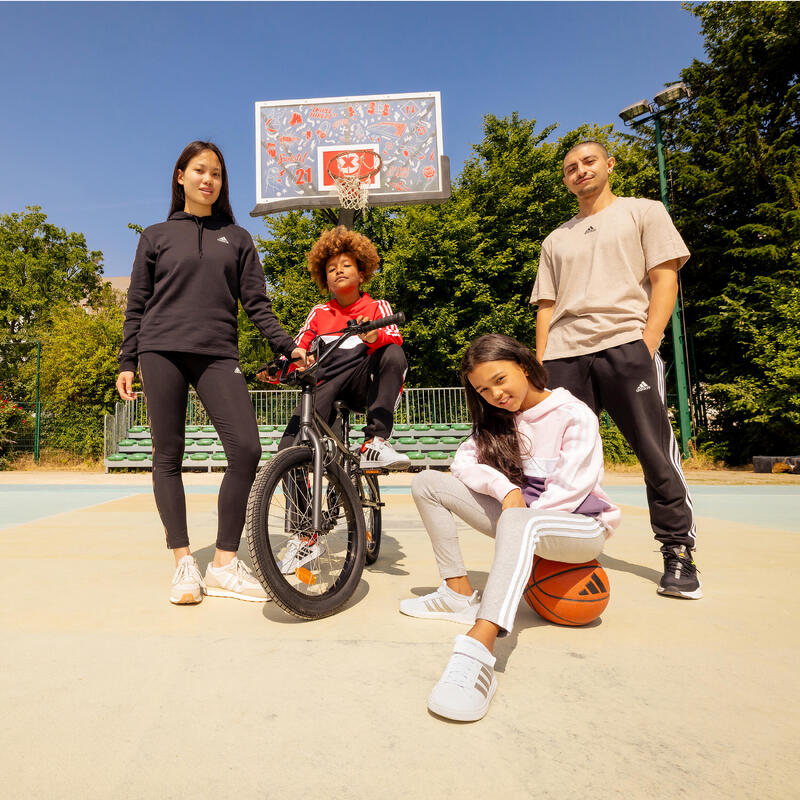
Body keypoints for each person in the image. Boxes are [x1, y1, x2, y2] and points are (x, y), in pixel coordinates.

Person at [116, 140, 306, 606]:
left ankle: (223, 563)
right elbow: (136, 304)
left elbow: (256, 303)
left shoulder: (237, 238)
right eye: (199, 171)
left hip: (218, 353)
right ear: (180, 176)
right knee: (168, 455)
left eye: (216, 174)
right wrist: (126, 360)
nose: (208, 180)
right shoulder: (155, 235)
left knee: (246, 449)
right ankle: (182, 561)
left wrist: (289, 346)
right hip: (160, 351)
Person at [401, 334, 620, 722]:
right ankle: (456, 594)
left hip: (579, 529)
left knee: (522, 518)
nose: (494, 395)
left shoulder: (574, 414)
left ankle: (479, 648)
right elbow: (462, 465)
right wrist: (506, 490)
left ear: (523, 364)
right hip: (523, 521)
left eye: (500, 380)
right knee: (427, 482)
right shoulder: (498, 422)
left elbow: (569, 493)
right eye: (483, 390)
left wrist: (520, 530)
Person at [531, 140, 702, 600]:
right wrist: (542, 364)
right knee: (563, 462)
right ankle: (565, 548)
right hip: (564, 355)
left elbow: (666, 277)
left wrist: (648, 343)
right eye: (570, 168)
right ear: (565, 180)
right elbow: (546, 307)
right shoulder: (556, 239)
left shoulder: (643, 212)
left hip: (626, 344)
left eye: (588, 162)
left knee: (653, 452)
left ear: (609, 164)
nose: (580, 171)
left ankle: (678, 552)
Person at [263, 226, 409, 574]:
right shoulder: (319, 313)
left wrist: (371, 333)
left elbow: (392, 338)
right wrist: (280, 366)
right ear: (324, 278)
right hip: (327, 382)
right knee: (288, 450)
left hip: (362, 381)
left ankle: (376, 440)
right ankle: (303, 536)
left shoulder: (376, 305)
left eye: (346, 265)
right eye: (331, 268)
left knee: (393, 355)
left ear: (362, 272)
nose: (338, 270)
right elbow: (298, 348)